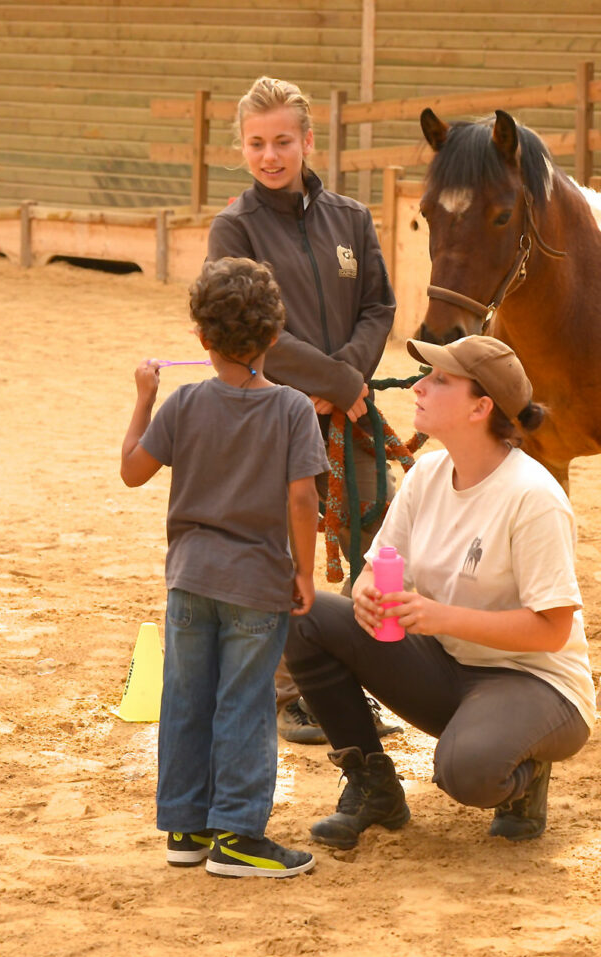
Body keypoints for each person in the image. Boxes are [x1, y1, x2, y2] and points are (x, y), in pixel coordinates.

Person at [283, 335, 596, 847]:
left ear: (481, 407)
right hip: (449, 665)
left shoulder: (534, 497)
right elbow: (377, 565)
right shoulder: (426, 473)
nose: (419, 385)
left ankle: (526, 778)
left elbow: (554, 629)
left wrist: (439, 617)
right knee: (307, 617)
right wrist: (365, 592)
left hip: (536, 683)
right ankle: (373, 786)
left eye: (440, 380)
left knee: (466, 773)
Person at [206, 74, 400, 745]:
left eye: (282, 141)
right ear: (242, 149)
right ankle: (294, 691)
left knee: (380, 540)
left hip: (351, 416)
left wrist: (348, 378)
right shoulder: (234, 228)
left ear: (307, 141)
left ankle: (377, 678)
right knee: (278, 550)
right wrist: (332, 382)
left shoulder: (352, 218)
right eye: (256, 144)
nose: (270, 155)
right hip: (272, 418)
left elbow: (380, 306)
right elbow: (246, 328)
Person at [120, 256, 329, 878]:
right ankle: (238, 837)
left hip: (189, 580)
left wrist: (143, 397)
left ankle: (186, 828)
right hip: (257, 585)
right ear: (271, 338)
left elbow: (132, 470)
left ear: (202, 339)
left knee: (186, 697)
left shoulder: (182, 405)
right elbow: (302, 498)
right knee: (244, 702)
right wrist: (304, 572)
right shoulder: (292, 409)